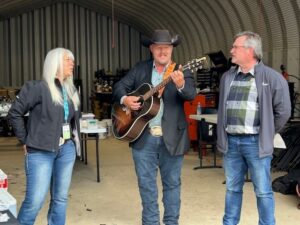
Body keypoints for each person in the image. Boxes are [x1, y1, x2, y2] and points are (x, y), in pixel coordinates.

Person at [112, 29, 196, 225]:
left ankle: (171, 222)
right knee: (147, 186)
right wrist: (126, 99)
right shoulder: (140, 69)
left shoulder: (182, 70)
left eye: (166, 47)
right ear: (151, 49)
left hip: (172, 138)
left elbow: (191, 94)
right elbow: (119, 87)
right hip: (143, 137)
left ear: (172, 49)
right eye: (158, 47)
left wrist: (182, 85)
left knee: (172, 185)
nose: (162, 51)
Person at [217, 31, 291, 225]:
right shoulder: (227, 77)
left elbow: (283, 112)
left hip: (255, 143)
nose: (231, 50)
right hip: (231, 142)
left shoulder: (272, 77)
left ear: (250, 50)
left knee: (263, 190)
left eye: (235, 47)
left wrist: (266, 133)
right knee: (232, 188)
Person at [8, 47, 81, 225]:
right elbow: (14, 114)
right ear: (55, 63)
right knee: (35, 201)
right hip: (40, 152)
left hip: (66, 150)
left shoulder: (71, 91)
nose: (72, 63)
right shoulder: (37, 88)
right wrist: (25, 140)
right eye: (67, 60)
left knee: (60, 199)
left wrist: (73, 141)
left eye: (72, 60)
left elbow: (71, 120)